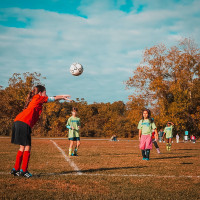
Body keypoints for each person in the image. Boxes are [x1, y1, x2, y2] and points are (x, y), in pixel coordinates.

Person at [11, 85, 71, 178]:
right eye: (45, 92)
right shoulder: (38, 97)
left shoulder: (35, 98)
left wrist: (60, 98)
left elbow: (51, 98)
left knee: (22, 147)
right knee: (27, 147)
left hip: (18, 121)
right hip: (24, 122)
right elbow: (51, 98)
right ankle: (24, 171)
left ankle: (16, 169)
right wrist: (62, 96)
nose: (45, 94)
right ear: (40, 93)